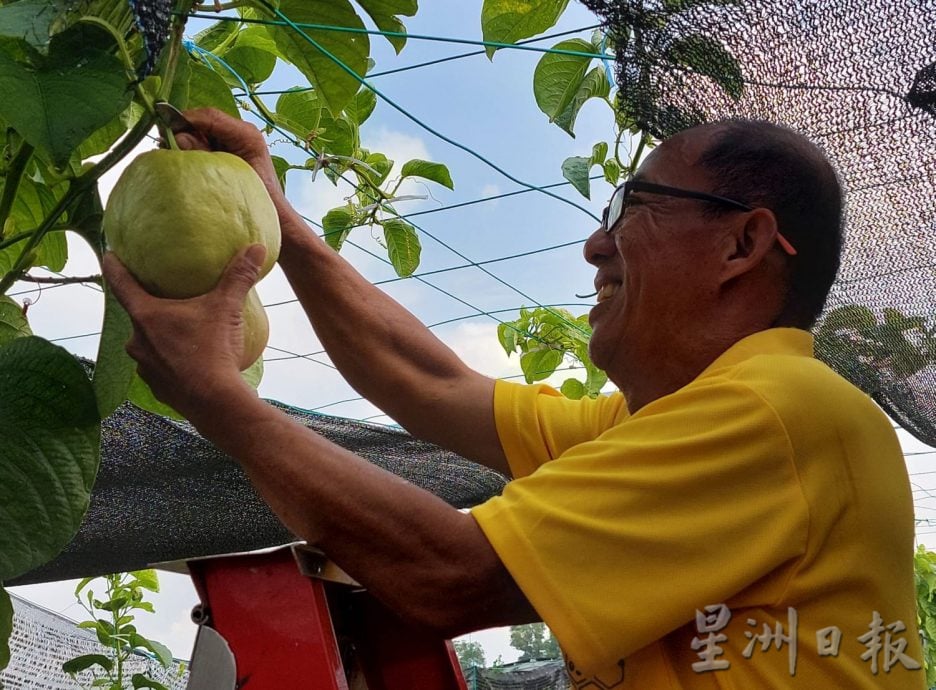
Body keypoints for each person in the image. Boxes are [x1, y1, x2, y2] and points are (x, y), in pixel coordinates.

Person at [102, 109, 924, 689]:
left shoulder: (776, 412)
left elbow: (452, 575)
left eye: (631, 208)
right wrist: (271, 217)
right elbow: (426, 382)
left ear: (742, 243)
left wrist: (219, 399)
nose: (597, 243)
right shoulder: (668, 422)